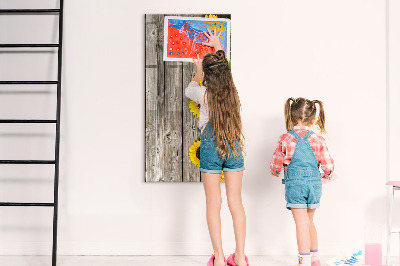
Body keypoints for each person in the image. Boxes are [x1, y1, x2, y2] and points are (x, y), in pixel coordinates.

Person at [184, 28, 248, 266]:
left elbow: (188, 90)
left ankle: (219, 259)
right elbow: (225, 70)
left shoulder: (203, 93)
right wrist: (218, 45)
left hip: (210, 147)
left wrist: (198, 71)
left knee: (214, 203)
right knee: (236, 202)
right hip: (233, 145)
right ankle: (240, 257)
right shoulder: (232, 93)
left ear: (207, 77)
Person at [270, 98, 335, 266]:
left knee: (301, 224)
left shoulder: (285, 138)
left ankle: (304, 261)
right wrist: (327, 176)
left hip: (295, 186)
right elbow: (328, 165)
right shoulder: (318, 139)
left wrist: (276, 171)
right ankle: (315, 260)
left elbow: (275, 164)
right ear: (313, 120)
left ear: (291, 117)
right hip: (314, 185)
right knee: (309, 222)